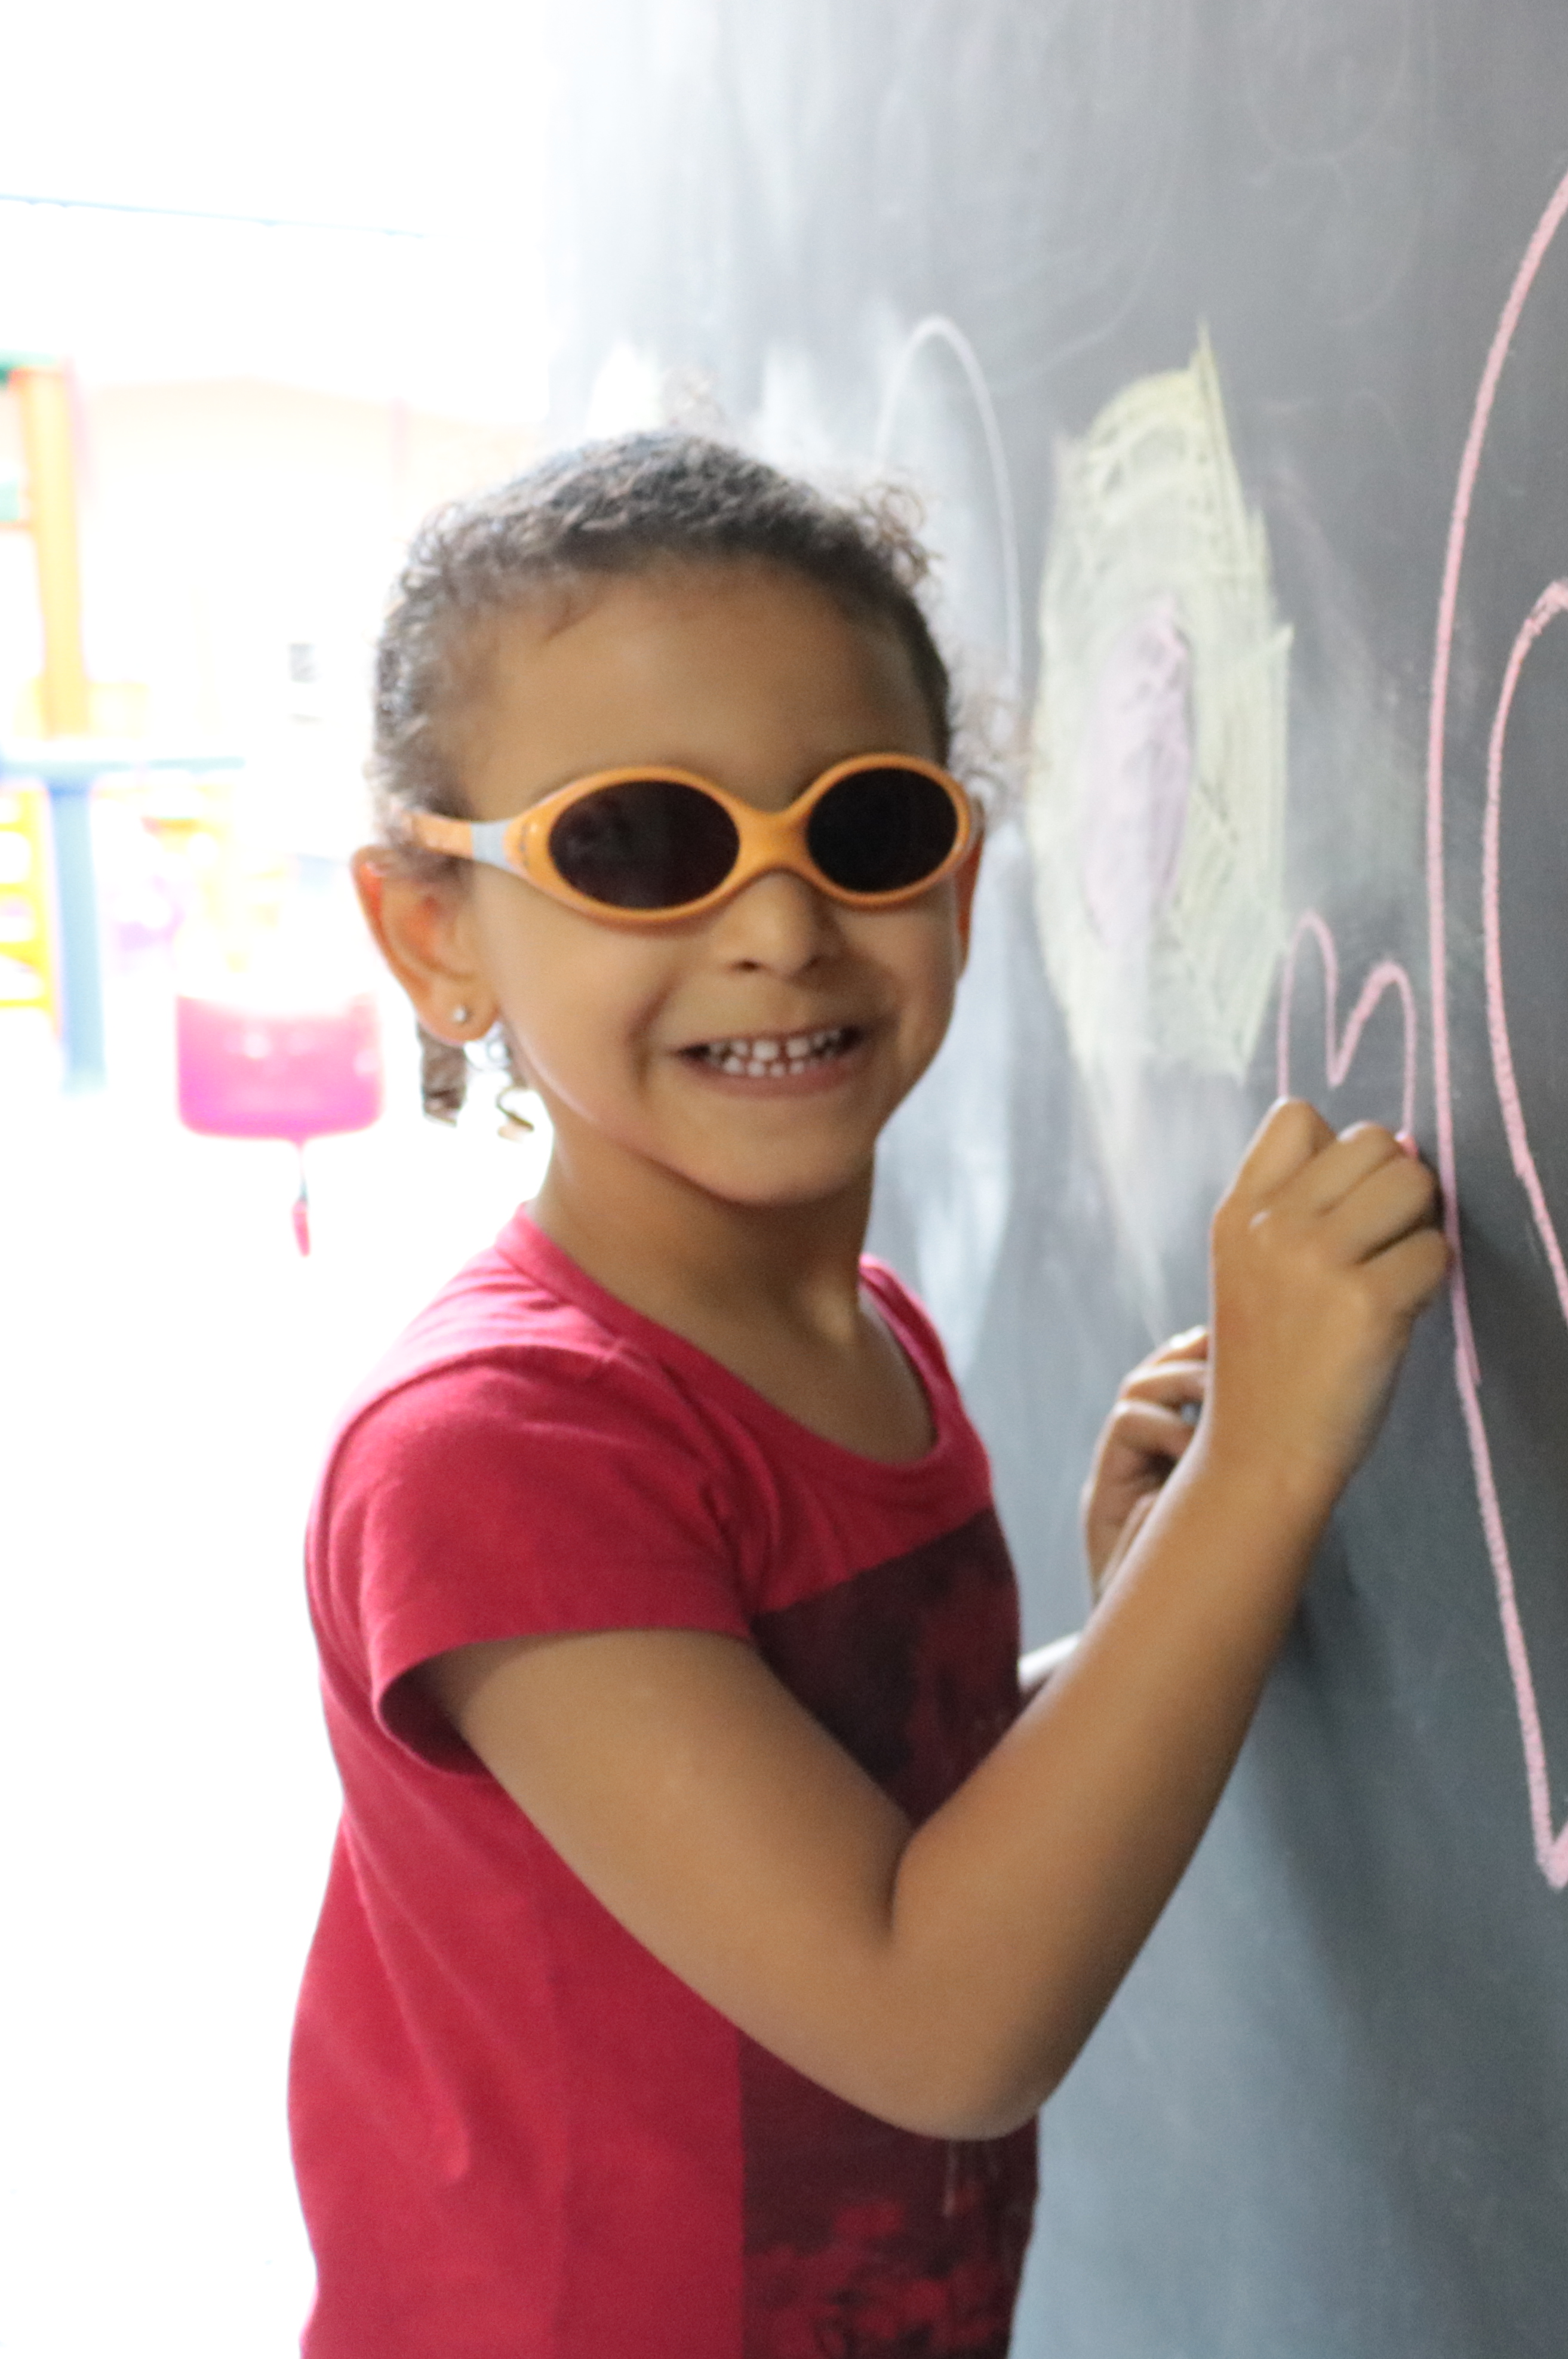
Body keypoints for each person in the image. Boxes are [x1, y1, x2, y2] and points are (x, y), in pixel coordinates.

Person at [296, 430, 1444, 2355]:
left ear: (962, 869)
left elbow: (853, 1830)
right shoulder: (495, 1458)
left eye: (866, 828)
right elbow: (938, 2018)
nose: (779, 922)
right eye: (638, 845)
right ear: (436, 933)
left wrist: (1138, 1610)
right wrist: (1256, 1475)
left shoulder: (865, 1339)